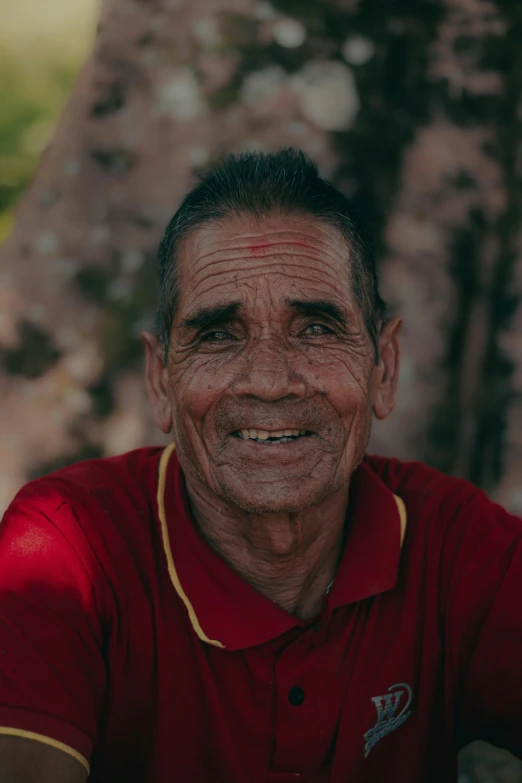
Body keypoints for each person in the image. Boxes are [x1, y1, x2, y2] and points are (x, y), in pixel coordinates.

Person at [0, 148, 521, 783]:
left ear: (383, 368)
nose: (271, 382)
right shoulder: (65, 548)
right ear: (160, 380)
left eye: (317, 329)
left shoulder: (455, 545)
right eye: (218, 335)